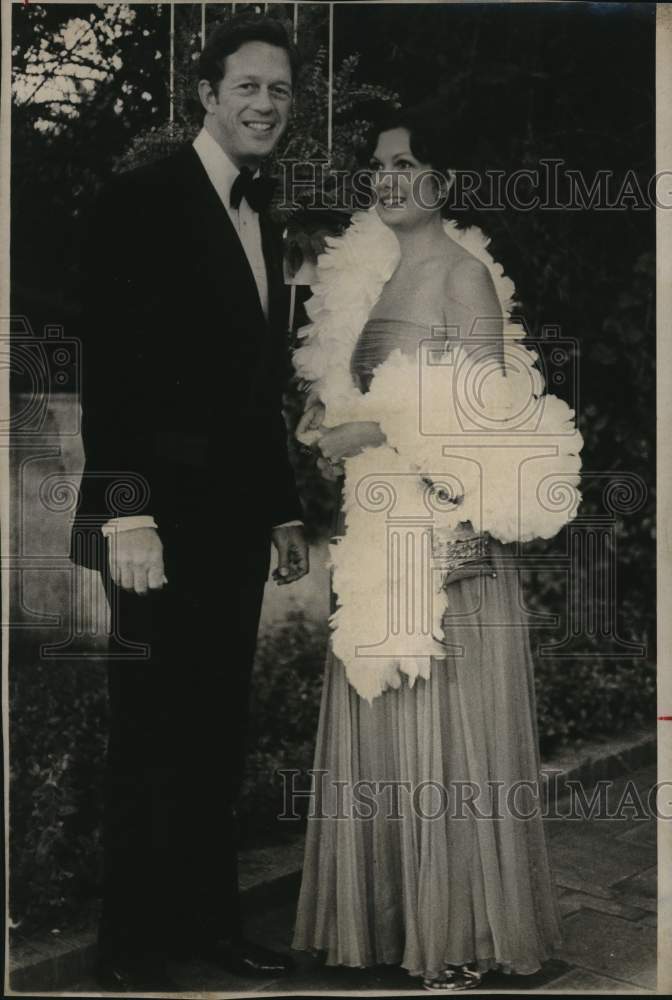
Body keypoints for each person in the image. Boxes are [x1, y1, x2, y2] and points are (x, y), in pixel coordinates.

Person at [291, 105, 583, 991]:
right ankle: (390, 930)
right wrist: (329, 423)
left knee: (444, 729)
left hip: (446, 534)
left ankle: (460, 935)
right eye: (377, 168)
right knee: (386, 713)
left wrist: (382, 444)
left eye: (407, 163)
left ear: (442, 183)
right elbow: (381, 407)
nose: (388, 179)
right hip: (384, 529)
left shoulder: (462, 275)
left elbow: (491, 418)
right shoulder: (376, 279)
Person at [70, 16, 309, 992]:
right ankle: (130, 950)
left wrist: (285, 509)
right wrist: (124, 511)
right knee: (148, 729)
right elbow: (111, 370)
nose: (264, 105)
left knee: (216, 727)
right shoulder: (142, 200)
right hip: (154, 524)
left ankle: (210, 929)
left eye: (280, 92)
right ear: (207, 93)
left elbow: (259, 390)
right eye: (247, 86)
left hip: (235, 524)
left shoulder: (267, 214)